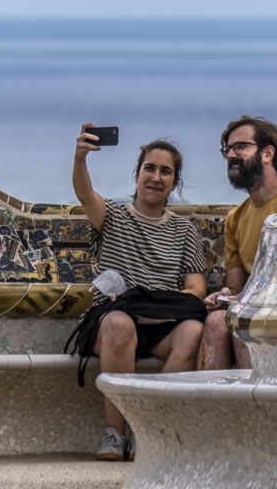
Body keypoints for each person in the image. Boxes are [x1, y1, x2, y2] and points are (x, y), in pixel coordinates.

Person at [72, 124, 208, 462]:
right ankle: (114, 434)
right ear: (137, 174)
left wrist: (161, 304)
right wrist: (80, 158)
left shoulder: (184, 230)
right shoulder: (114, 216)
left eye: (166, 171)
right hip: (113, 325)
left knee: (192, 331)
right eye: (150, 168)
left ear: (174, 182)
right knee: (120, 325)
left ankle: (148, 429)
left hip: (161, 323)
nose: (156, 177)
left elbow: (196, 288)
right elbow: (85, 194)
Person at [200, 115, 277, 371]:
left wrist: (259, 302)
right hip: (256, 306)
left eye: (241, 147)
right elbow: (236, 286)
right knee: (216, 322)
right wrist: (225, 296)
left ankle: (257, 408)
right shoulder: (236, 218)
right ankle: (209, 408)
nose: (231, 155)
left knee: (246, 325)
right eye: (227, 149)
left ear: (267, 153)